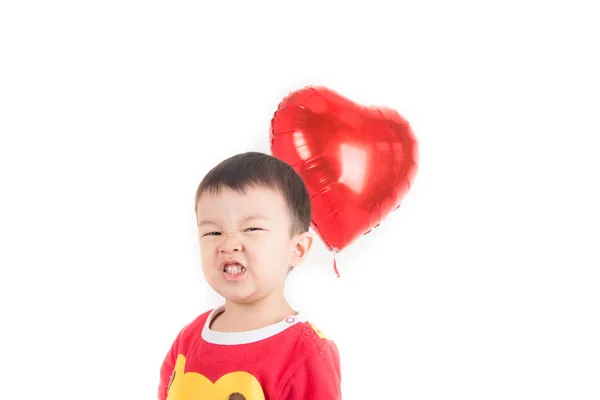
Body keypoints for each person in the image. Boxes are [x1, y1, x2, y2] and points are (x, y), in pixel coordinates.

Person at [158, 152, 342, 400]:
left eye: (252, 229)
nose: (229, 244)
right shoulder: (189, 339)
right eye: (213, 232)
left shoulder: (306, 352)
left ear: (296, 248)